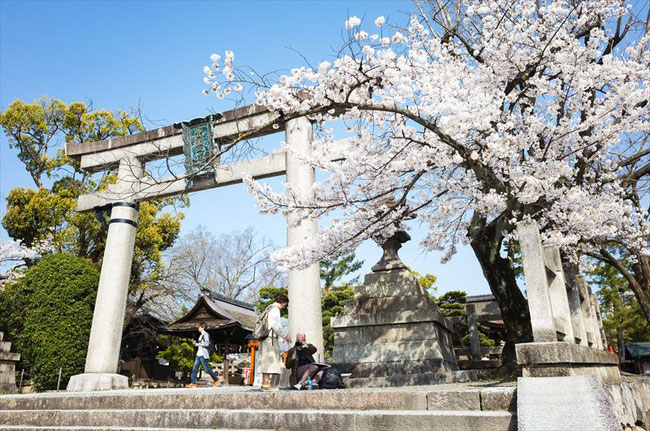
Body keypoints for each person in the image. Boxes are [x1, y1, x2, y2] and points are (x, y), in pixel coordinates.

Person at [259, 294, 291, 390]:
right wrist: (285, 335)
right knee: (269, 360)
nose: (284, 307)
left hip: (266, 337)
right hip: (270, 337)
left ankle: (265, 383)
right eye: (285, 305)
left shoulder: (269, 308)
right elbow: (275, 325)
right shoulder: (275, 310)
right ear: (283, 302)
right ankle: (266, 384)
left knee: (266, 359)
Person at [186, 322, 221, 388]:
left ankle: (216, 379)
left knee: (206, 369)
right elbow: (201, 343)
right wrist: (196, 343)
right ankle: (193, 383)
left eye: (199, 327)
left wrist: (198, 344)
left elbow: (207, 344)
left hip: (203, 354)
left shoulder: (206, 335)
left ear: (203, 327)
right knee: (194, 369)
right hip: (198, 354)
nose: (198, 328)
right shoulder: (201, 335)